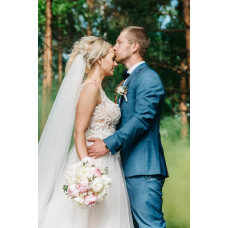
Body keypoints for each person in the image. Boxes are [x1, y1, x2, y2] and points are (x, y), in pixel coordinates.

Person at [38, 36, 134, 228]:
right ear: (99, 59)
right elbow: (78, 132)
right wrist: (88, 170)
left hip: (109, 161)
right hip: (93, 162)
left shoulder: (99, 88)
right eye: (112, 58)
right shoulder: (90, 88)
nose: (115, 63)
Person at [87, 26, 169, 228]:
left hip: (143, 169)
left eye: (119, 42)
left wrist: (107, 144)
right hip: (127, 167)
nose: (114, 48)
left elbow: (141, 119)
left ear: (134, 46)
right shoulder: (130, 79)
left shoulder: (148, 78)